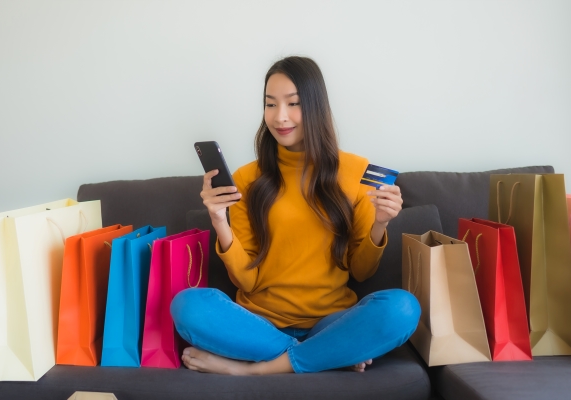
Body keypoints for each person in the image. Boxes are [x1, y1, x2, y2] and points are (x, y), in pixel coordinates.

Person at [170, 56, 420, 375]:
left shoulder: (356, 171)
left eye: (293, 103)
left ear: (315, 106)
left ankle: (255, 370)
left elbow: (361, 272)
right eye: (270, 104)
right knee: (188, 306)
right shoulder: (248, 179)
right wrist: (220, 221)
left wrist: (380, 224)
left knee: (402, 308)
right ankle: (323, 357)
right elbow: (246, 279)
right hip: (259, 325)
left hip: (331, 321)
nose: (280, 117)